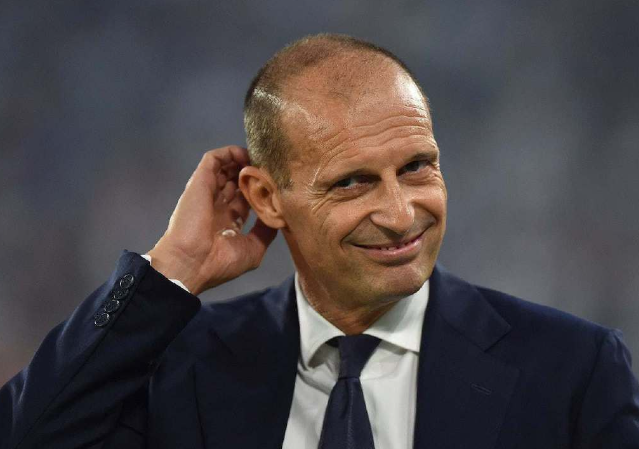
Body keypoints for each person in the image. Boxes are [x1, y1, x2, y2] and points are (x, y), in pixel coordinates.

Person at [1, 33, 638, 449]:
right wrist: (173, 266)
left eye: (417, 166)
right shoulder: (178, 369)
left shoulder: (573, 371)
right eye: (353, 182)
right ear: (265, 198)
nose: (400, 214)